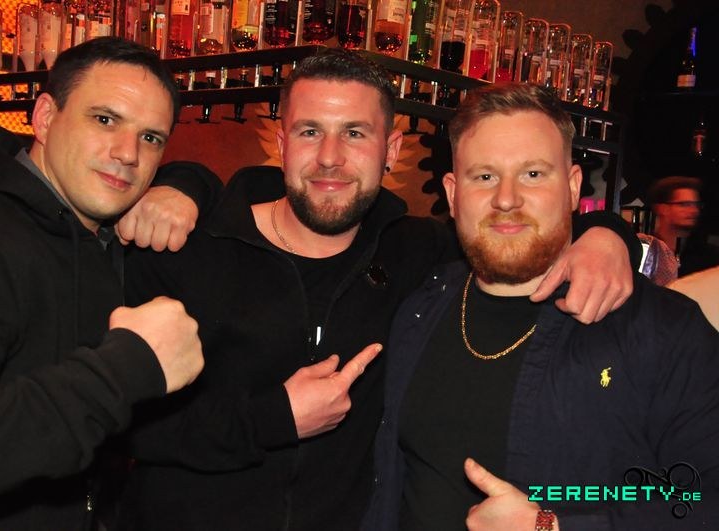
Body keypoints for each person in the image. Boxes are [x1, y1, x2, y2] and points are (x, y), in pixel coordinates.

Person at [118, 49, 638, 531]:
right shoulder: (189, 248)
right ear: (281, 143)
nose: (329, 157)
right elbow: (126, 423)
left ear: (390, 150)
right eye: (309, 131)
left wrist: (608, 235)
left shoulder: (417, 251)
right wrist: (273, 418)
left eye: (355, 133)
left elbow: (512, 226)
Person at [363, 83, 719, 531]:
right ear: (453, 195)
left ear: (572, 187)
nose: (506, 199)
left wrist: (551, 526)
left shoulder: (662, 331)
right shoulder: (418, 306)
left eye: (533, 174)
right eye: (484, 176)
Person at [0, 37, 209, 529]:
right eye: (105, 119)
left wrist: (186, 185)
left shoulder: (91, 230)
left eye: (151, 138)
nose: (128, 153)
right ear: (45, 117)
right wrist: (126, 369)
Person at [647, 175, 719, 276]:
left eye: (697, 205)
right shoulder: (645, 251)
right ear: (663, 208)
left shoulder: (710, 257)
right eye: (685, 204)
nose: (694, 210)